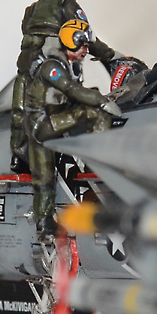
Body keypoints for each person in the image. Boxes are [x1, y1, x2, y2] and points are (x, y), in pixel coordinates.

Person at [10, 0, 122, 171]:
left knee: (20, 112)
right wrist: (108, 54)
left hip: (26, 65)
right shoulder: (68, 5)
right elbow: (85, 35)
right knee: (66, 105)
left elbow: (26, 31)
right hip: (51, 65)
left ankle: (19, 158)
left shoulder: (32, 8)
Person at [25, 19, 122, 238]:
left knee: (44, 178)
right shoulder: (52, 68)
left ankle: (44, 222)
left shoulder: (71, 66)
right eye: (83, 44)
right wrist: (101, 101)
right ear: (71, 41)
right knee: (91, 115)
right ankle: (101, 164)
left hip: (52, 118)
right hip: (42, 123)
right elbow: (70, 89)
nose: (86, 49)